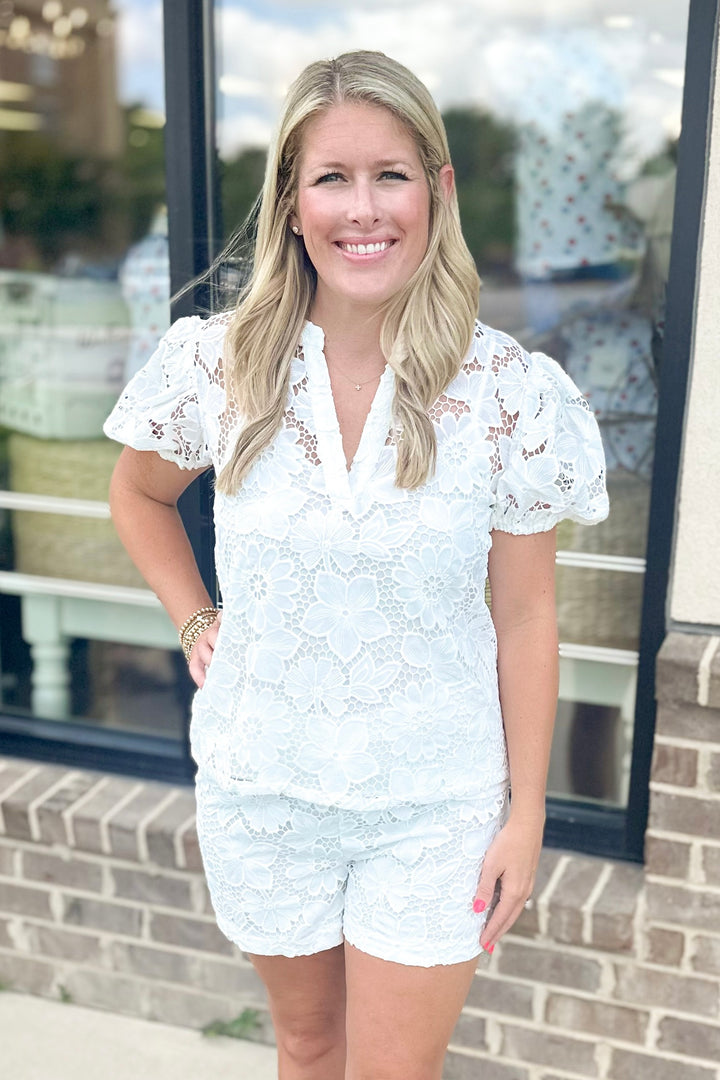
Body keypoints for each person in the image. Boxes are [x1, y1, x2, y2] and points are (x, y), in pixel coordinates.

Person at [104, 50, 608, 1080]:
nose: (363, 208)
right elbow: (138, 495)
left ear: (438, 190)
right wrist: (197, 620)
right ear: (291, 201)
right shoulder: (217, 364)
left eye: (392, 174)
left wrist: (526, 811)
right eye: (332, 177)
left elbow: (525, 615)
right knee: (307, 1045)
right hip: (263, 786)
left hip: (434, 804)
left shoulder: (507, 391)